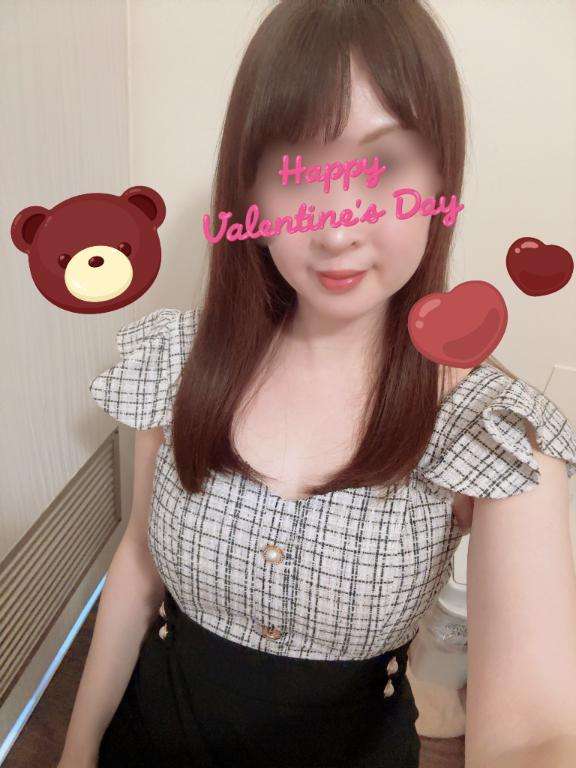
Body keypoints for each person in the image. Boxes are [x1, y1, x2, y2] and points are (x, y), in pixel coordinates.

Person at [59, 1, 576, 767]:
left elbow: (536, 731)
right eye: (296, 170)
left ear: (441, 178)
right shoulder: (176, 362)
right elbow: (137, 563)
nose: (336, 229)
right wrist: (75, 751)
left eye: (383, 165)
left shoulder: (492, 429)